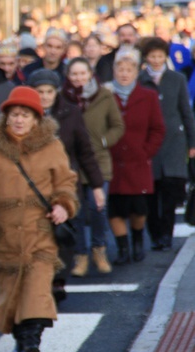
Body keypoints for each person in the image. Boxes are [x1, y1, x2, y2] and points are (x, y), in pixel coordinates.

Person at [0, 86, 78, 352]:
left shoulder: (52, 145)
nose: (19, 120)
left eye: (25, 114)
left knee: (37, 288)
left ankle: (31, 339)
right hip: (4, 235)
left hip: (41, 230)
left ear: (36, 118)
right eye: (14, 114)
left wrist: (63, 204)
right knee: (12, 291)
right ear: (6, 116)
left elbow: (65, 180)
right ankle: (20, 336)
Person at [27, 69, 106, 300]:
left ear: (57, 91)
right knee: (37, 236)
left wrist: (97, 186)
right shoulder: (22, 114)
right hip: (33, 185)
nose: (44, 96)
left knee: (63, 233)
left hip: (65, 183)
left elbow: (85, 151)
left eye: (49, 91)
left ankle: (58, 280)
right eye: (39, 91)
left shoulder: (70, 112)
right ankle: (41, 281)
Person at [61, 57, 125, 276]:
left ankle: (100, 249)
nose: (79, 79)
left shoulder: (105, 95)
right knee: (76, 212)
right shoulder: (63, 99)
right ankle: (80, 255)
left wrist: (104, 141)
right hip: (73, 164)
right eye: (74, 75)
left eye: (82, 74)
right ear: (68, 77)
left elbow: (117, 126)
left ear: (90, 74)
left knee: (98, 208)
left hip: (99, 161)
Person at [107, 47, 165, 264]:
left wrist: (146, 151)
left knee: (139, 207)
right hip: (112, 162)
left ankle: (138, 241)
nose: (124, 74)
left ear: (135, 73)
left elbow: (158, 129)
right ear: (114, 71)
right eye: (120, 69)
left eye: (128, 70)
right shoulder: (105, 96)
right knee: (115, 209)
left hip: (138, 161)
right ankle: (123, 249)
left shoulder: (147, 96)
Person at [138, 37, 195, 251]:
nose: (156, 60)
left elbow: (186, 112)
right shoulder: (140, 79)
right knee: (151, 193)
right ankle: (154, 234)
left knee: (171, 192)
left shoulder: (176, 78)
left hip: (174, 141)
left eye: (160, 56)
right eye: (152, 56)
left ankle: (166, 234)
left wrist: (192, 141)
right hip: (149, 141)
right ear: (146, 57)